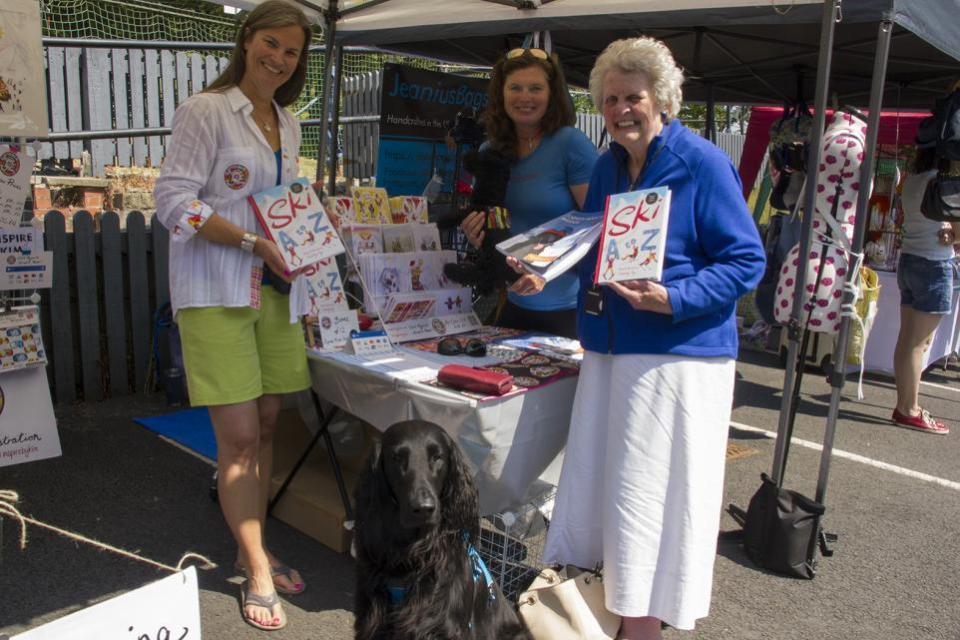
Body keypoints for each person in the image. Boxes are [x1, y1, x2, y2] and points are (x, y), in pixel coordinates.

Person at [512, 37, 765, 638]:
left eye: (634, 97)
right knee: (610, 488)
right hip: (609, 351)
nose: (621, 109)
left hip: (675, 360)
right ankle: (608, 606)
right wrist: (542, 268)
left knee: (651, 493)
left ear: (662, 100)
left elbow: (745, 260)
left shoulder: (702, 163)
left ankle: (642, 623)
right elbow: (591, 246)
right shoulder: (606, 166)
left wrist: (675, 298)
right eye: (610, 100)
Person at [154, 1, 313, 631]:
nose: (278, 59)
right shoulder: (206, 110)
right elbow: (171, 201)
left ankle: (255, 542)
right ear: (246, 41)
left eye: (292, 52)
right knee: (241, 438)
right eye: (270, 44)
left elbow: (279, 203)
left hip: (274, 293)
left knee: (270, 424)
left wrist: (307, 223)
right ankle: (257, 567)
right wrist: (251, 242)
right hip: (215, 289)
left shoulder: (289, 122)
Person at [459, 46, 597, 339]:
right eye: (515, 88)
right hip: (513, 306)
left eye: (536, 88)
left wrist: (545, 271)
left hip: (570, 310)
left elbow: (596, 224)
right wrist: (479, 235)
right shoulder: (490, 151)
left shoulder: (570, 144)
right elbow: (496, 227)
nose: (525, 97)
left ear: (552, 94)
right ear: (501, 94)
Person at [891, 147, 959, 435]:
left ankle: (905, 405)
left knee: (907, 340)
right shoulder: (946, 184)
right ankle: (909, 409)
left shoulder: (913, 180)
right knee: (919, 344)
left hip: (909, 259)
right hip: (933, 264)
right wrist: (952, 234)